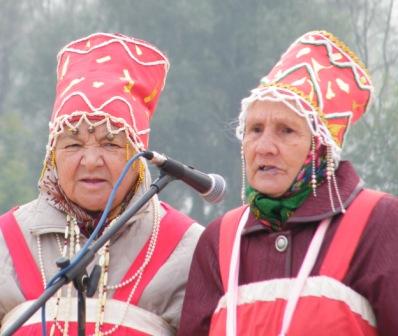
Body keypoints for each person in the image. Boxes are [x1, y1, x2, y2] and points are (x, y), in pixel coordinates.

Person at [178, 30, 398, 335]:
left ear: (320, 147)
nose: (264, 146)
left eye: (286, 131)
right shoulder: (219, 241)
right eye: (255, 129)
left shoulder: (379, 222)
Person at [0, 32, 203, 335]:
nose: (91, 160)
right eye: (73, 145)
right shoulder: (6, 242)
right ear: (52, 155)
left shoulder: (188, 249)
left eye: (110, 144)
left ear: (140, 152)